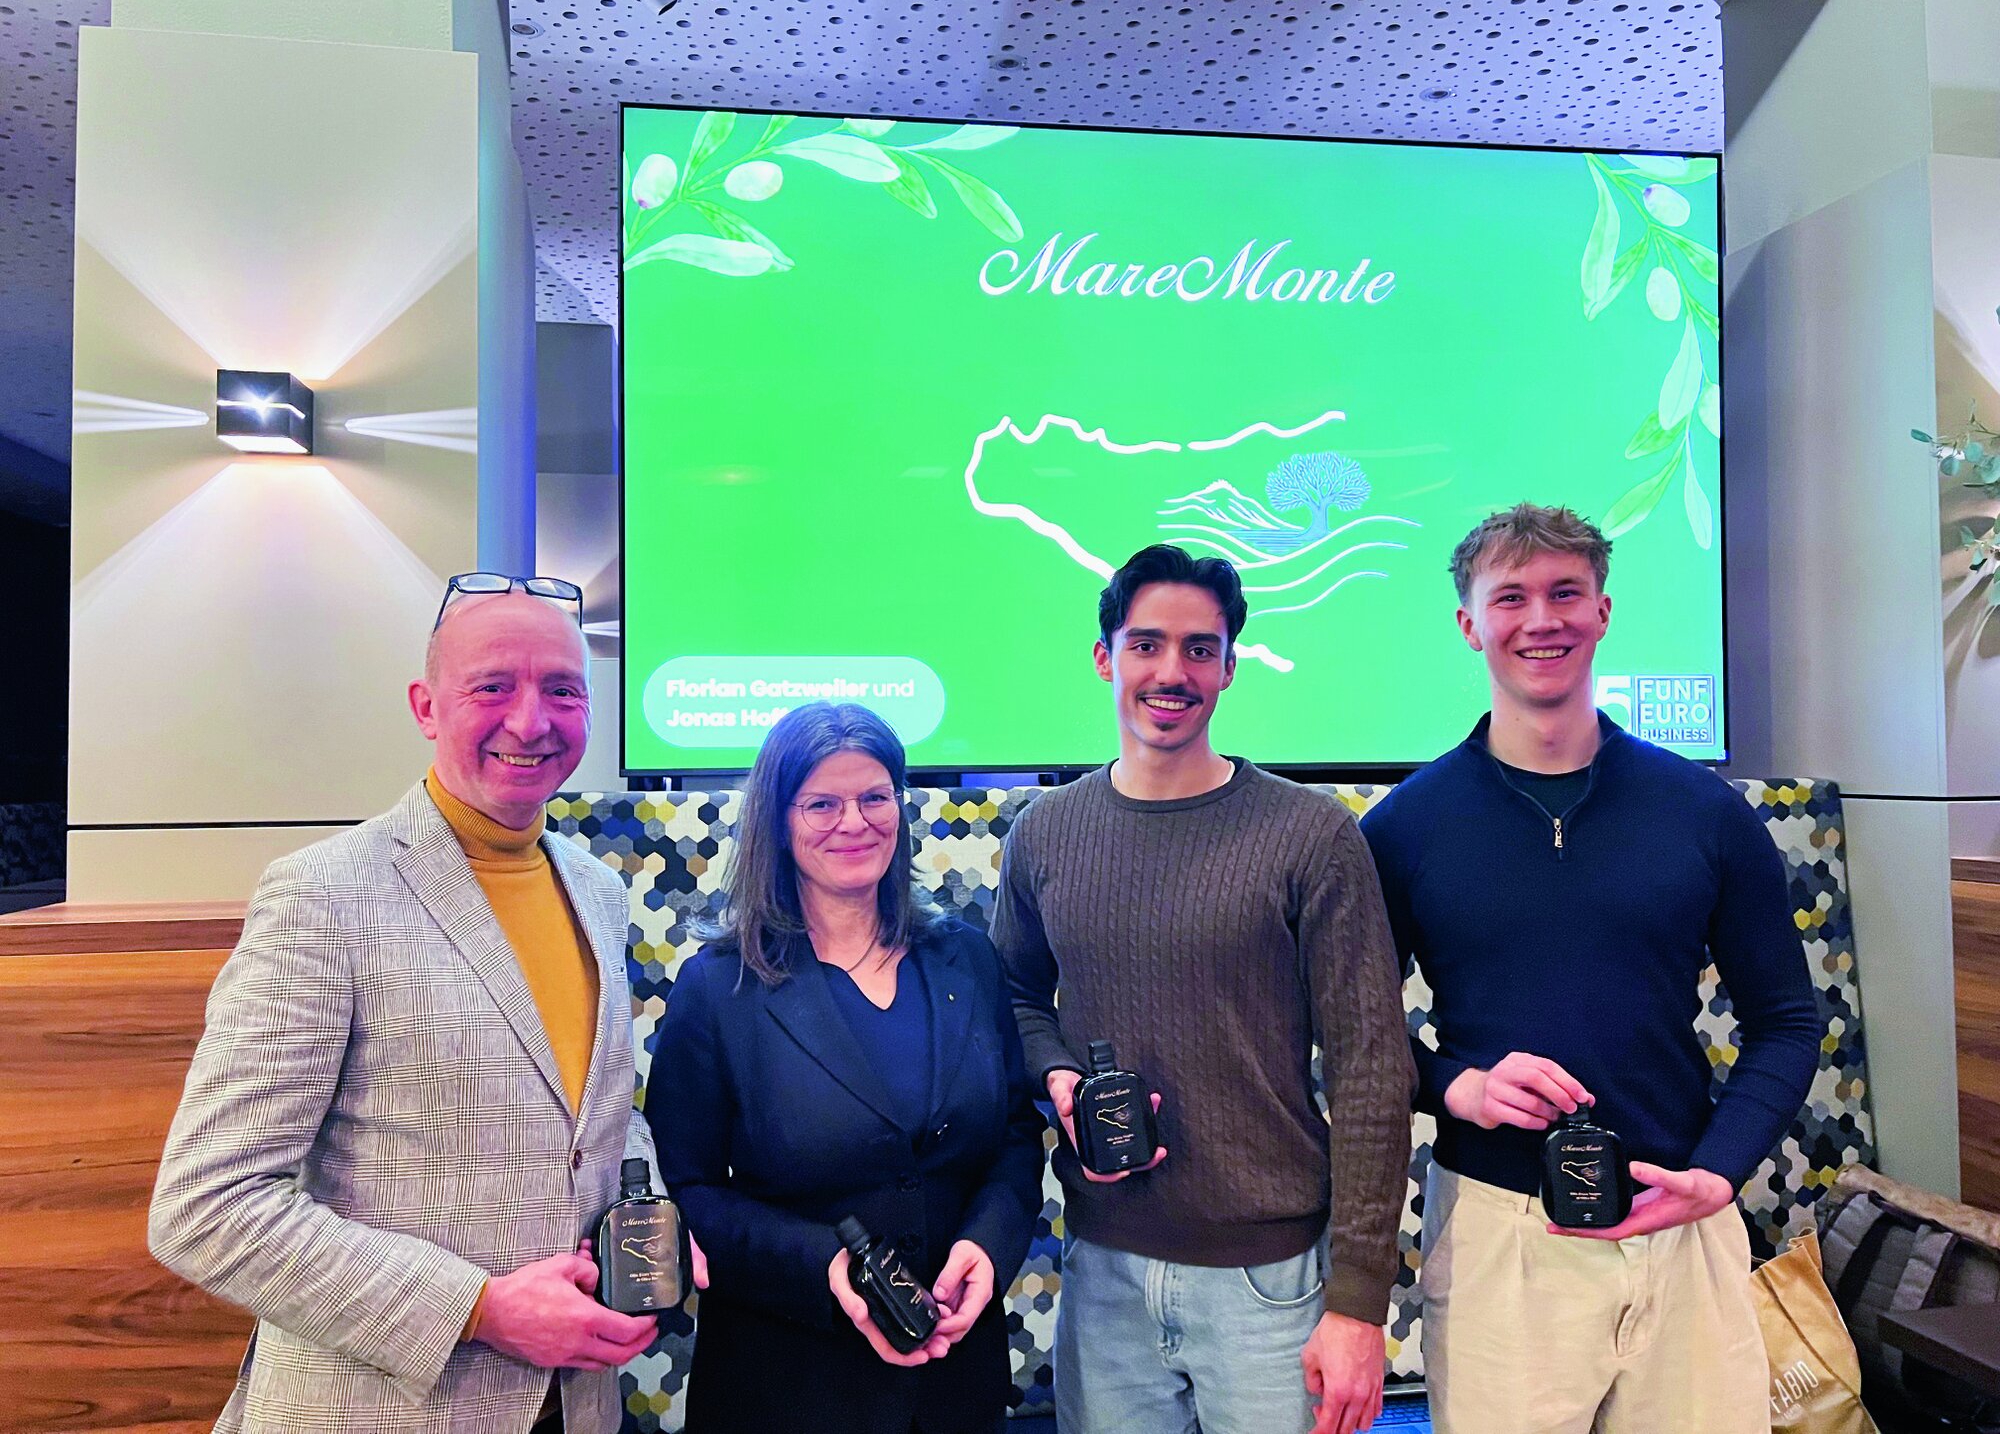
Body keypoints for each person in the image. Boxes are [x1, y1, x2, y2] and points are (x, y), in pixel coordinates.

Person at [150, 574, 660, 1434]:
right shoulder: (324, 895)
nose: (530, 721)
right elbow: (206, 1207)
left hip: (575, 1404)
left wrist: (651, 1218)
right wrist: (478, 1309)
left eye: (562, 690)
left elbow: (598, 1116)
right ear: (426, 706)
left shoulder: (598, 891)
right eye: (492, 687)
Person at [1360, 504, 1822, 1434]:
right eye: (1511, 598)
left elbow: (1787, 1020)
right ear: (1469, 624)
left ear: (1602, 613)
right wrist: (1459, 1088)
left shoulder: (1705, 812)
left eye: (1565, 592)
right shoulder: (1405, 827)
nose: (1542, 619)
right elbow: (1348, 1035)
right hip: (1500, 1233)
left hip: (1681, 1216)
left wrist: (1719, 1173)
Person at [991, 543, 1415, 1434]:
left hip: (1271, 1282)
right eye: (1146, 645)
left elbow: (1372, 1069)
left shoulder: (1311, 835)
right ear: (1105, 657)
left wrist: (1358, 1302)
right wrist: (1057, 1077)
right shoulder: (1045, 834)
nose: (1171, 672)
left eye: (1199, 649)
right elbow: (1015, 1001)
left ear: (1228, 667)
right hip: (1103, 1268)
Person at [649, 701, 1044, 1434]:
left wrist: (987, 1248)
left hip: (957, 1385)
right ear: (779, 822)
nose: (854, 822)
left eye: (874, 798)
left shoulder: (966, 958)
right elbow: (688, 1190)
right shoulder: (718, 988)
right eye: (822, 804)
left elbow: (1015, 1137)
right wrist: (824, 1266)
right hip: (788, 1387)